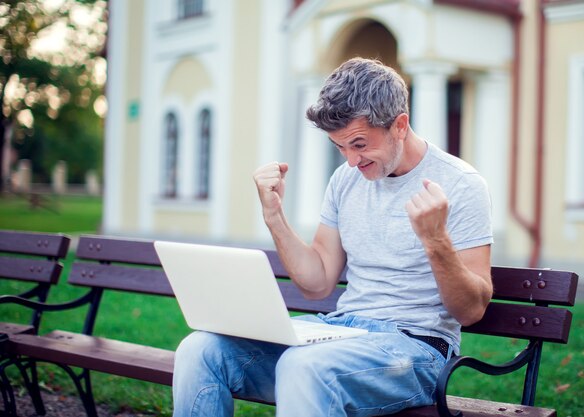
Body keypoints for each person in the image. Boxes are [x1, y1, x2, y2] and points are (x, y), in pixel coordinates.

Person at [172, 57, 493, 417]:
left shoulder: (462, 185)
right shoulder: (345, 180)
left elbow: (471, 310)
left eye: (359, 144)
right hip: (342, 333)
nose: (352, 161)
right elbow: (317, 282)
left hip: (416, 348)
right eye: (340, 147)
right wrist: (274, 216)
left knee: (304, 366)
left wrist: (435, 241)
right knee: (200, 350)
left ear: (400, 125)